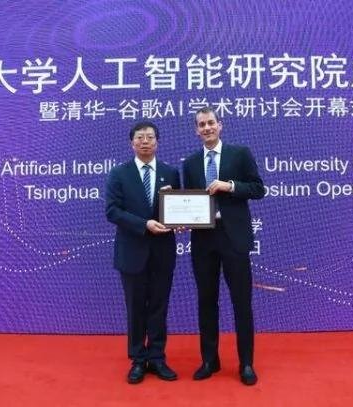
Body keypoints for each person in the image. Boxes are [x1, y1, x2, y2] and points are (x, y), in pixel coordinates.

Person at [182, 106, 264, 385]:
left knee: (241, 302)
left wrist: (229, 186)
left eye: (211, 123)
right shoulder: (191, 163)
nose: (206, 128)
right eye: (201, 124)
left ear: (221, 125)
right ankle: (209, 360)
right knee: (206, 301)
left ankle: (247, 364)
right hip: (203, 239)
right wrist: (179, 216)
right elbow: (189, 201)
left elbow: (258, 188)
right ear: (196, 130)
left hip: (234, 238)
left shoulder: (240, 154)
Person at [105, 121, 181, 384]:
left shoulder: (171, 173)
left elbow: (176, 208)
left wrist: (180, 221)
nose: (145, 141)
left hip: (163, 252)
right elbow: (112, 211)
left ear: (157, 142)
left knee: (159, 307)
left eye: (150, 137)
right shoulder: (119, 173)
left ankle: (157, 357)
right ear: (132, 143)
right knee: (136, 308)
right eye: (140, 137)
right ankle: (138, 359)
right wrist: (144, 224)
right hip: (132, 252)